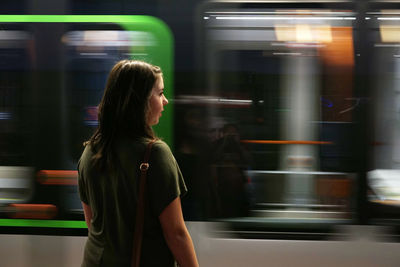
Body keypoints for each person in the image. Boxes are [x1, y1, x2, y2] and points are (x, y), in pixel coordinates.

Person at [77, 60, 199, 267]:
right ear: (139, 101)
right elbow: (176, 233)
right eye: (160, 93)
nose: (166, 101)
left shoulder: (90, 151)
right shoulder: (155, 154)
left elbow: (93, 224)